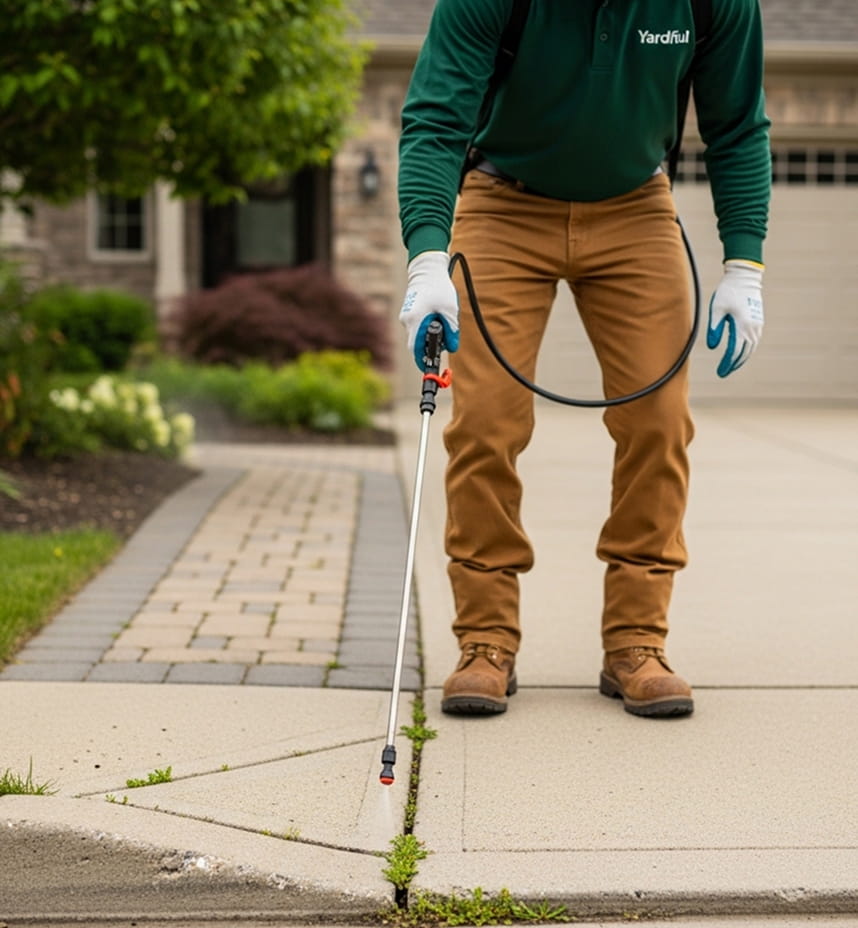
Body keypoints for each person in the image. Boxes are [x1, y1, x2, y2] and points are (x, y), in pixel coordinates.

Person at [397, 0, 771, 718]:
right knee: (485, 424)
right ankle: (485, 641)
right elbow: (436, 121)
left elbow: (736, 125)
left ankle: (636, 640)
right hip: (503, 201)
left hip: (635, 207)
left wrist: (745, 267)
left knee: (658, 424)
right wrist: (426, 260)